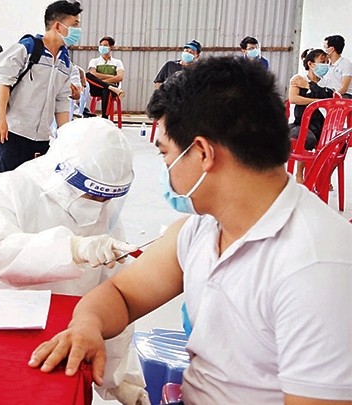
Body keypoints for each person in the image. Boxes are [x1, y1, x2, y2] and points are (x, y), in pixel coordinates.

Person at [28, 56, 352, 404]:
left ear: (202, 153)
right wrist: (87, 326)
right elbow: (121, 294)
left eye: (165, 154)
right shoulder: (204, 228)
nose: (165, 169)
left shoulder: (317, 268)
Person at [0, 118, 147, 403]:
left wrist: (121, 379)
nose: (96, 204)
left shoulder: (105, 214)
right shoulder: (10, 188)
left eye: (104, 198)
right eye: (90, 194)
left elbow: (114, 299)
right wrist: (73, 249)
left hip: (64, 340)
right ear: (62, 172)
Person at [0, 0, 80, 174]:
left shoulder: (65, 62)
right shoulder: (27, 49)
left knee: (34, 188)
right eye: (74, 24)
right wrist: (0, 120)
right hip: (14, 132)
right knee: (7, 185)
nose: (78, 30)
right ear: (58, 26)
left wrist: (65, 137)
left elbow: (61, 101)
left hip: (42, 137)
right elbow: (4, 83)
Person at [288, 48, 335, 183]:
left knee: (339, 146)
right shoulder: (299, 78)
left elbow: (330, 100)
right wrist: (317, 101)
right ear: (311, 64)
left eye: (327, 62)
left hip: (322, 125)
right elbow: (294, 99)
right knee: (306, 139)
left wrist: (310, 86)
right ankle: (299, 174)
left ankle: (325, 176)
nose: (325, 65)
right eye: (322, 61)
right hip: (302, 123)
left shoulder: (327, 82)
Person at [86, 36, 125, 118]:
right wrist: (111, 77)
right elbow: (93, 74)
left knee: (106, 90)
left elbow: (119, 77)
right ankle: (111, 87)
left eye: (105, 45)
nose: (102, 47)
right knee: (88, 75)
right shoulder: (94, 61)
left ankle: (105, 117)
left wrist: (103, 82)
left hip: (110, 90)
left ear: (111, 47)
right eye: (101, 45)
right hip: (96, 88)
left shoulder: (117, 62)